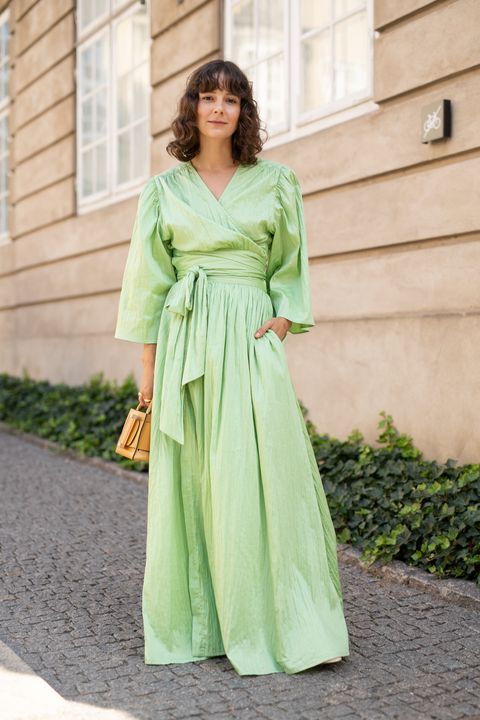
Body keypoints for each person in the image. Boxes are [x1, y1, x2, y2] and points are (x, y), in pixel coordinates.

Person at [114, 59, 350, 676]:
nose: (218, 108)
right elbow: (147, 287)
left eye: (231, 99)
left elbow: (290, 264)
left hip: (249, 337)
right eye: (208, 96)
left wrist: (282, 320)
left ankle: (284, 620)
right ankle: (203, 623)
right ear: (191, 108)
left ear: (243, 111)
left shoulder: (276, 182)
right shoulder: (162, 191)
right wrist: (148, 373)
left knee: (266, 474)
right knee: (196, 478)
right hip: (187, 340)